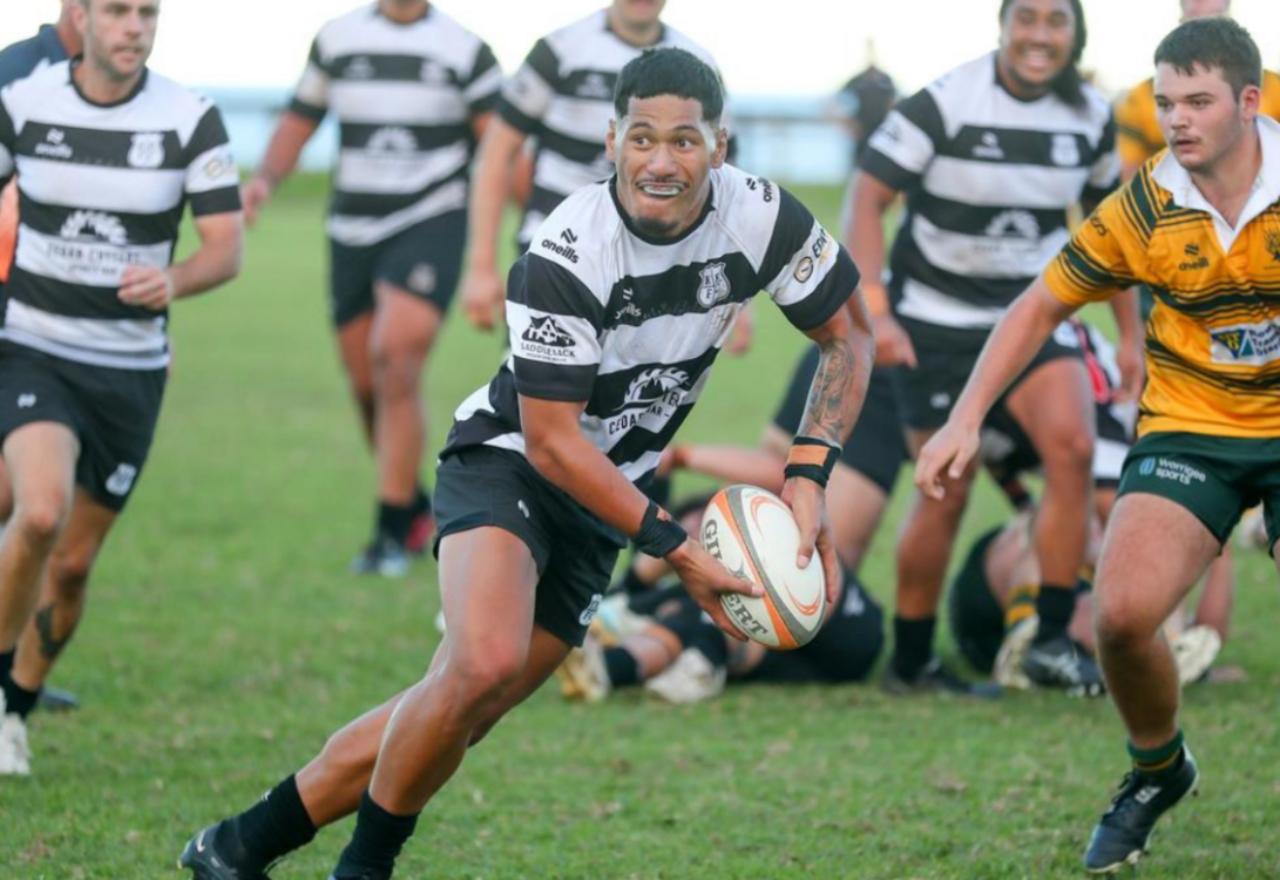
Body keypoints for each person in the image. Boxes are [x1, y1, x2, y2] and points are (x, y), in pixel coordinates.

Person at [179, 47, 874, 880]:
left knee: (459, 708)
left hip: (608, 491)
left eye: (685, 141)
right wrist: (677, 549)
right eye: (643, 138)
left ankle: (240, 844)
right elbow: (551, 442)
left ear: (720, 146)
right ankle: (361, 870)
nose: (662, 162)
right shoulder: (567, 251)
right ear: (610, 139)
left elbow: (848, 336)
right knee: (481, 663)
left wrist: (805, 476)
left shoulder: (760, 217)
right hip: (510, 462)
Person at [917, 17, 1280, 871]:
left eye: (1197, 102)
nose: (1177, 120)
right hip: (1193, 425)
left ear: (1251, 103)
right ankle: (1157, 770)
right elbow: (1038, 307)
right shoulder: (1146, 203)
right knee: (1120, 619)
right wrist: (967, 417)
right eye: (1166, 103)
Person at [846, 0, 1138, 695]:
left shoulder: (1091, 116)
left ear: (1075, 33)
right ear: (1003, 26)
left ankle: (1050, 640)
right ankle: (912, 661)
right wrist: (877, 314)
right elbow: (864, 196)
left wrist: (1131, 335)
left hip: (1033, 316)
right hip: (936, 327)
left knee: (1072, 448)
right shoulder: (945, 103)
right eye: (1027, 19)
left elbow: (1111, 228)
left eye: (1055, 22)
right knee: (945, 488)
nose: (1040, 35)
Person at [0, 0, 244, 776]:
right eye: (116, 11)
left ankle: (18, 706)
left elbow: (225, 250)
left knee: (72, 566)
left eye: (147, 12)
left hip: (131, 370)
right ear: (80, 15)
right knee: (38, 510)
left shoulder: (190, 119)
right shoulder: (23, 105)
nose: (133, 27)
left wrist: (173, 278)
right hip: (34, 346)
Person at [239, 0, 501, 575]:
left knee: (395, 359)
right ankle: (410, 508)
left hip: (431, 219)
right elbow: (300, 117)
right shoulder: (337, 38)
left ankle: (387, 536)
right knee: (366, 383)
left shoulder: (466, 50)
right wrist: (263, 180)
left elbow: (501, 149)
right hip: (352, 228)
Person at [458, 0, 726, 330]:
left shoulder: (699, 64)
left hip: (658, 254)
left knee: (639, 377)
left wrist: (733, 290)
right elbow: (498, 151)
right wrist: (481, 265)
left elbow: (723, 171)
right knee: (543, 370)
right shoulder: (559, 50)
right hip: (559, 240)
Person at [0, 0, 86, 716]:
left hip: (70, 332)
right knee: (24, 504)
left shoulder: (140, 94)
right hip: (14, 313)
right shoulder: (17, 77)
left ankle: (12, 676)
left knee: (36, 510)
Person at [1114, 0, 1280, 184]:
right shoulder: (1139, 99)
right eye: (1165, 105)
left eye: (1200, 102)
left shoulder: (1275, 87)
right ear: (1181, 22)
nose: (1206, 31)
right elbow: (1132, 180)